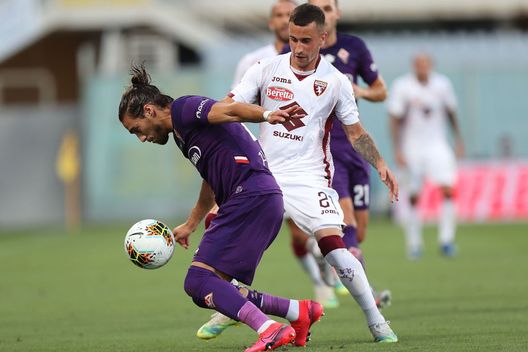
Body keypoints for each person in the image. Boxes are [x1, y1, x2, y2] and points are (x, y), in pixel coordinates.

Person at [118, 64, 325, 352]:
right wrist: (191, 223)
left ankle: (269, 329)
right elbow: (211, 180)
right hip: (258, 199)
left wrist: (267, 115)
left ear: (150, 111)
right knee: (209, 288)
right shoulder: (182, 133)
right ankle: (298, 312)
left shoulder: (185, 109)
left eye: (136, 130)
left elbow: (229, 110)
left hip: (249, 197)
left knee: (198, 280)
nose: (142, 138)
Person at [227, 4, 399, 343]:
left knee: (336, 246)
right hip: (264, 174)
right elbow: (231, 106)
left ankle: (376, 320)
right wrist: (264, 114)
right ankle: (230, 312)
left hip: (310, 177)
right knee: (236, 247)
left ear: (323, 38)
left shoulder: (336, 81)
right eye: (293, 39)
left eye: (306, 40)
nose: (299, 48)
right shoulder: (264, 69)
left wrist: (379, 162)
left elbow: (356, 134)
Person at [284, 0, 392, 308]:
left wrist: (359, 91)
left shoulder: (354, 47)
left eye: (329, 8)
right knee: (345, 220)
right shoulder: (296, 55)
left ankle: (324, 253)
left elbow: (381, 90)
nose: (325, 14)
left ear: (337, 13)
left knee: (359, 228)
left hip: (354, 146)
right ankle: (367, 297)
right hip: (324, 148)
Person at [388, 53, 464, 259]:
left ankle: (446, 240)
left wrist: (458, 139)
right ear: (414, 66)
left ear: (431, 65)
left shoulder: (442, 84)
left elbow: (451, 112)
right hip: (412, 147)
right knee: (413, 196)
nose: (422, 67)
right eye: (418, 64)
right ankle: (414, 244)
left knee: (448, 189)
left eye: (426, 64)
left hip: (438, 145)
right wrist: (397, 149)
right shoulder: (402, 86)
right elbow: (394, 118)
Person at [232, 0, 297, 88]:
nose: (285, 21)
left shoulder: (315, 60)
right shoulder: (251, 61)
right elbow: (235, 99)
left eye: (290, 15)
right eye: (279, 15)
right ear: (271, 23)